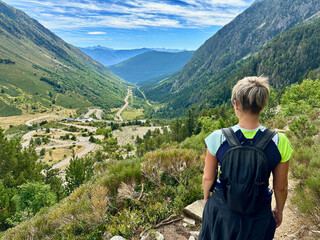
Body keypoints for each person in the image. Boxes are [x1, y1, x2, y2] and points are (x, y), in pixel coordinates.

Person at [199, 76, 293, 240]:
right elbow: (281, 187)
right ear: (263, 106)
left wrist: (207, 199)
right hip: (258, 214)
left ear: (236, 104)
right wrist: (279, 210)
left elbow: (208, 177)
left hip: (222, 210)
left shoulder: (217, 137)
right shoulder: (280, 141)